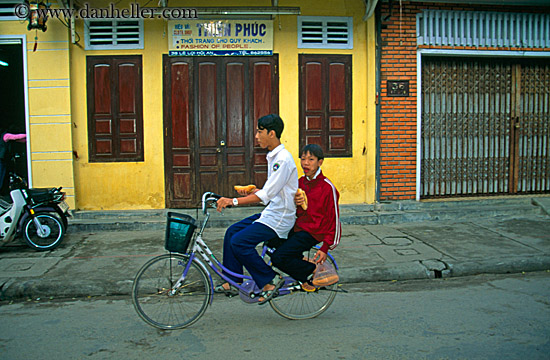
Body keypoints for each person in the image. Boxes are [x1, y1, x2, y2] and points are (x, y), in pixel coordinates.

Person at [215, 114, 298, 304]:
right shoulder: (274, 156)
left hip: (280, 217)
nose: (256, 136)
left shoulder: (282, 160)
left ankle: (269, 279)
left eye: (260, 132)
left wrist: (233, 201)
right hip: (272, 211)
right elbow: (272, 191)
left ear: (272, 133)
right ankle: (233, 281)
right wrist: (255, 191)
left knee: (240, 242)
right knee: (231, 232)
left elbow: (266, 196)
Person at [270, 144, 341, 291]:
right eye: (303, 159)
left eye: (311, 159)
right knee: (270, 240)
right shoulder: (300, 182)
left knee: (278, 258)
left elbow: (334, 220)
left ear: (320, 162)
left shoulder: (327, 188)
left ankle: (313, 269)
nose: (305, 163)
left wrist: (326, 247)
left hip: (313, 232)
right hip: (298, 226)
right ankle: (302, 274)